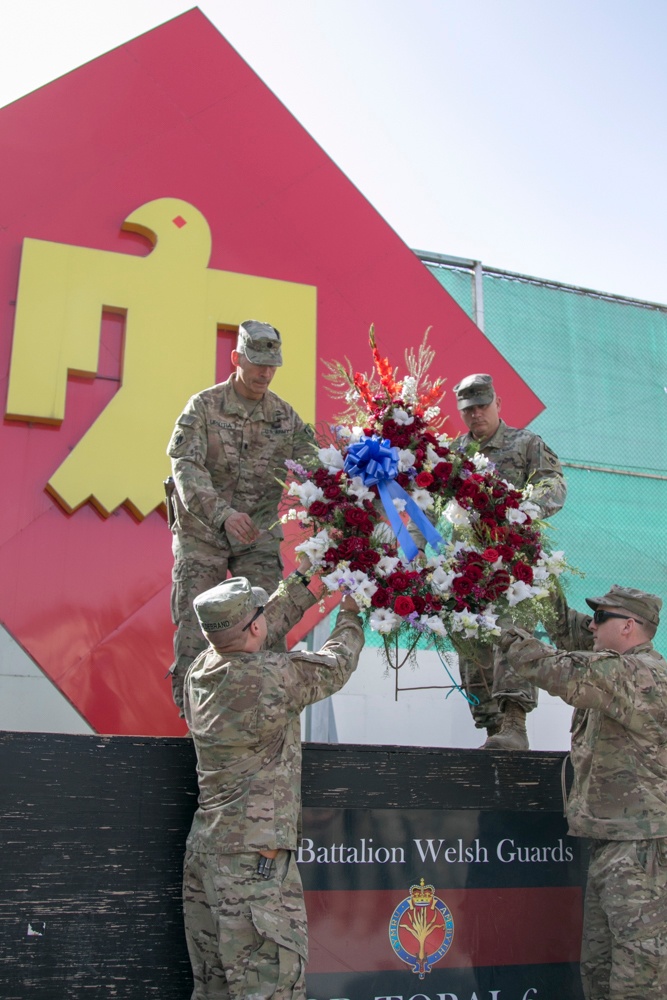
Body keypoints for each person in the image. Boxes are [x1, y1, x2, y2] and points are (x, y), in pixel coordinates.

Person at [181, 564, 364, 999]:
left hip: (207, 853)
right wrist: (353, 610)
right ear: (254, 626)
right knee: (271, 988)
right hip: (253, 865)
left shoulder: (201, 670)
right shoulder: (270, 676)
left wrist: (309, 577)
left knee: (216, 991)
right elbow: (336, 664)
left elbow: (262, 624)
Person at [499, 584, 667, 1000]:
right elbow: (570, 630)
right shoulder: (619, 664)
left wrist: (501, 625)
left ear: (628, 626)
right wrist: (537, 572)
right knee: (599, 971)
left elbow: (550, 666)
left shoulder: (635, 673)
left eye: (601, 618)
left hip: (640, 849)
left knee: (638, 980)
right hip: (616, 843)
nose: (590, 625)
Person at [166, 320, 314, 711]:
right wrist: (222, 514)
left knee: (266, 622)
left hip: (256, 537)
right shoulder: (203, 407)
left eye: (272, 365)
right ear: (236, 358)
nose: (265, 373)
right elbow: (185, 465)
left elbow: (317, 467)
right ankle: (195, 718)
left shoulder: (285, 417)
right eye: (257, 363)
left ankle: (268, 714)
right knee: (198, 628)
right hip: (203, 532)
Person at [452, 372, 567, 749]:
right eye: (468, 410)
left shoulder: (525, 443)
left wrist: (522, 508)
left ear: (498, 403)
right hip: (468, 568)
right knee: (473, 647)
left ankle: (515, 724)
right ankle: (493, 730)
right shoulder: (455, 453)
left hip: (514, 565)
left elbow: (554, 484)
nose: (476, 416)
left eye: (483, 407)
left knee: (514, 637)